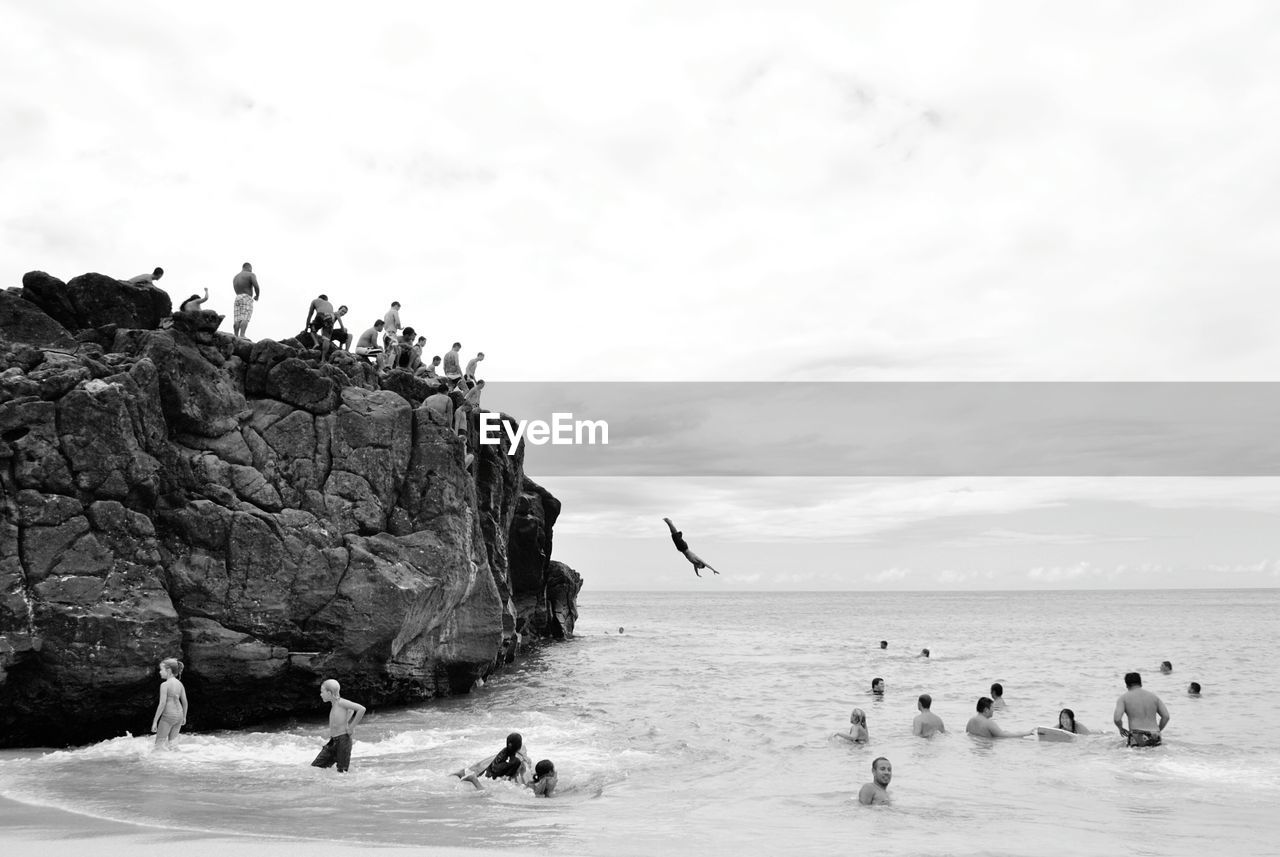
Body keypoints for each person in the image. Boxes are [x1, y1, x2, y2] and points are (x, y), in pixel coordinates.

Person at [311, 678, 366, 773]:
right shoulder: (334, 704)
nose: (320, 694)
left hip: (343, 741)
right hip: (333, 741)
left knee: (342, 772)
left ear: (329, 693)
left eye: (322, 692)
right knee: (316, 768)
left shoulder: (341, 702)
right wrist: (346, 721)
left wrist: (351, 727)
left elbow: (361, 709)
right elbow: (351, 710)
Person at [1114, 672, 1170, 747]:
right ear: (1141, 683)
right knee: (1155, 758)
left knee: (1136, 758)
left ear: (1127, 685)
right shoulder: (1154, 697)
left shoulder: (1123, 698)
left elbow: (1117, 719)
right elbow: (1166, 716)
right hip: (1155, 734)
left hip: (1137, 734)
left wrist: (1120, 728)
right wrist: (1158, 730)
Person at [454, 732, 531, 784]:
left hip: (491, 770)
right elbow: (510, 773)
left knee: (489, 768)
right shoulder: (517, 759)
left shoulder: (505, 750)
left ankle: (465, 772)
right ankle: (472, 778)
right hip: (496, 775)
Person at [150, 657, 188, 750]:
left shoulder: (164, 685)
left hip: (168, 716)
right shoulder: (179, 684)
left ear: (169, 670)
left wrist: (155, 721)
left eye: (161, 670)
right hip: (179, 715)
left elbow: (162, 704)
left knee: (158, 746)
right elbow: (185, 702)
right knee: (173, 745)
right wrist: (184, 717)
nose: (160, 672)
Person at [965, 697, 1032, 738]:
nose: (993, 710)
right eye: (992, 708)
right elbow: (1004, 736)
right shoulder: (988, 723)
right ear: (986, 710)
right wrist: (1026, 733)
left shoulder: (970, 721)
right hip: (985, 751)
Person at [232, 262, 260, 339]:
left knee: (237, 318)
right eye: (251, 268)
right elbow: (256, 286)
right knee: (245, 317)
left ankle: (235, 336)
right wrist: (257, 296)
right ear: (248, 267)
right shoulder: (250, 274)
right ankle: (242, 335)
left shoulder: (235, 277)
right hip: (246, 297)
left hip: (237, 297)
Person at [305, 294, 337, 361]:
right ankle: (323, 359)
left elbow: (310, 315)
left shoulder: (315, 300)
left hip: (321, 314)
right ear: (326, 300)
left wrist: (306, 327)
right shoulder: (329, 304)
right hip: (331, 317)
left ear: (319, 297)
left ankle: (316, 343)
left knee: (313, 328)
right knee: (326, 339)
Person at [381, 302, 402, 367]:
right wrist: (399, 327)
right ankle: (389, 366)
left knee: (387, 351)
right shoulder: (394, 311)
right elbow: (398, 322)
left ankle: (384, 366)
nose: (398, 309)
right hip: (392, 333)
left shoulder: (386, 314)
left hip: (386, 334)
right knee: (394, 350)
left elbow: (384, 326)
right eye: (398, 308)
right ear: (396, 306)